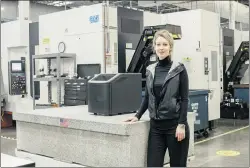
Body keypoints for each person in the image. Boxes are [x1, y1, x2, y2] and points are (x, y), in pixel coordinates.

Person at [124, 29, 190, 167]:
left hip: (175, 126)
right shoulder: (150, 69)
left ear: (170, 47)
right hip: (156, 128)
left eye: (165, 44)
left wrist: (181, 125)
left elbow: (184, 99)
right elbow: (148, 96)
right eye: (158, 44)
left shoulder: (179, 69)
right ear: (154, 47)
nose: (161, 48)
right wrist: (138, 115)